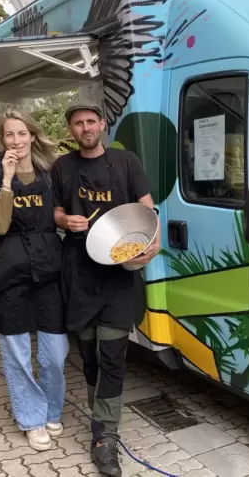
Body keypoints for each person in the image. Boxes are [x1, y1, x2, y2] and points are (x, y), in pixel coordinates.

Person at [51, 103, 160, 477]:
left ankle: (105, 436)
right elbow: (54, 212)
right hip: (78, 273)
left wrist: (153, 244)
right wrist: (66, 219)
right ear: (71, 130)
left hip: (117, 276)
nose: (85, 127)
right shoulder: (62, 167)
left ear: (102, 125)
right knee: (90, 357)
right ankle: (100, 414)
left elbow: (148, 211)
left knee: (113, 354)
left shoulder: (126, 162)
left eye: (91, 121)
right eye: (78, 123)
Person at [0, 109, 69, 452]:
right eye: (9, 135)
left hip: (49, 269)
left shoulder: (50, 173)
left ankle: (52, 410)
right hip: (9, 272)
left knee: (55, 352)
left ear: (33, 136)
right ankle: (31, 418)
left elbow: (61, 212)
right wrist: (8, 179)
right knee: (17, 353)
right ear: (2, 140)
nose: (16, 141)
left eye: (21, 134)